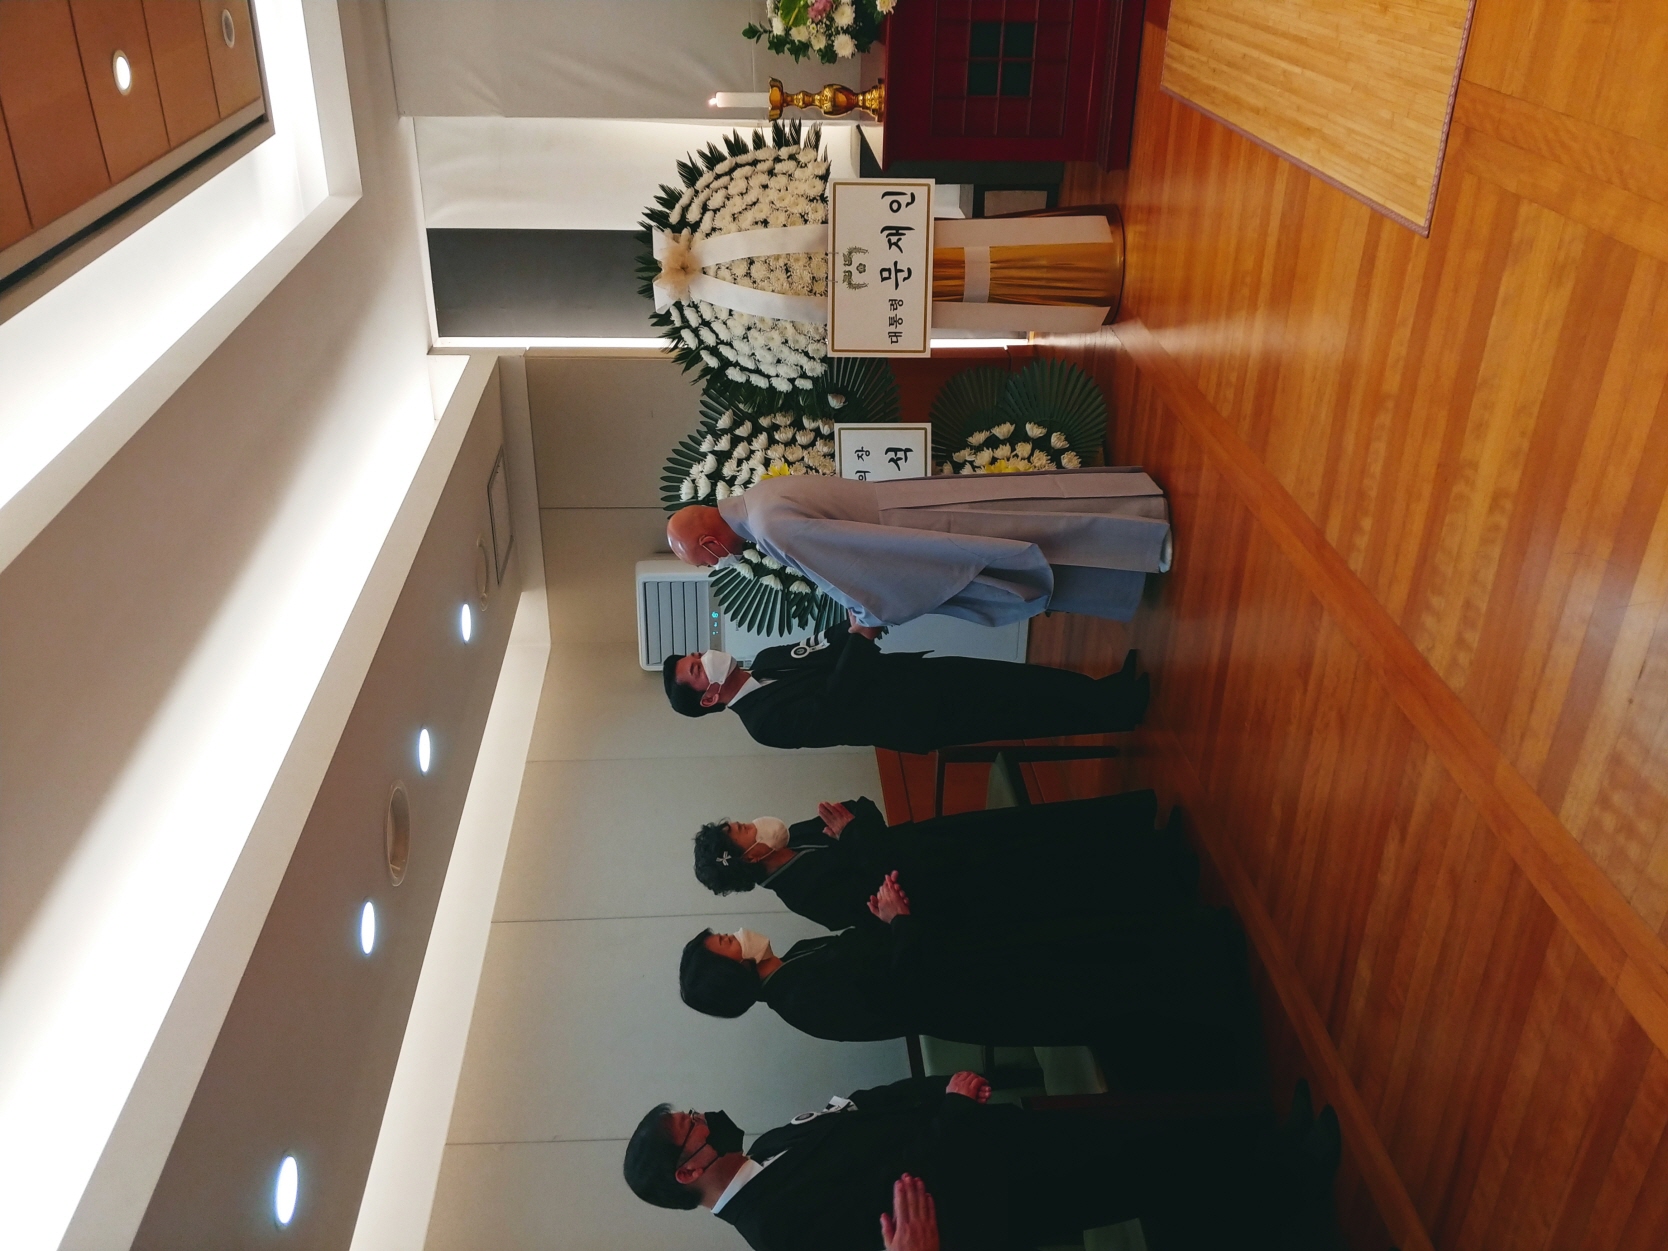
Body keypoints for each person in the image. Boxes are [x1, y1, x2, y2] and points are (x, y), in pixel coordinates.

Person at [621, 1074, 1342, 1251]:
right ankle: (1293, 1173)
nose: (706, 1117)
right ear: (687, 1170)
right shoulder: (777, 1228)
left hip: (990, 1141)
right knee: (1145, 1177)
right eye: (692, 1125)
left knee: (1141, 1144)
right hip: (1003, 1192)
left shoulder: (767, 1148)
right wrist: (954, 1116)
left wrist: (944, 1092)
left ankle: (1269, 1140)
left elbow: (860, 1108)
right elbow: (903, 1189)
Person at [679, 896, 1256, 1090]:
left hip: (972, 966)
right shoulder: (802, 1001)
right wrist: (899, 924)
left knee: (1088, 957)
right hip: (977, 994)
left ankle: (1203, 956)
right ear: (733, 974)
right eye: (726, 944)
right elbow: (901, 996)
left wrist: (885, 917)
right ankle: (1215, 991)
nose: (737, 934)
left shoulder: (794, 962)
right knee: (1096, 992)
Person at [666, 467, 1172, 627]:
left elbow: (855, 567)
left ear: (709, 542)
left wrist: (865, 616)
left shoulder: (770, 527)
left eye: (705, 560)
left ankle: (1144, 543)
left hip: (914, 533)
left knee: (1030, 537)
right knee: (1030, 510)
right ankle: (1139, 517)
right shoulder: (760, 495)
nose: (714, 564)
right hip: (912, 502)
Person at [693, 792, 1198, 933]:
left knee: (1048, 834)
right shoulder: (805, 895)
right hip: (955, 887)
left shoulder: (796, 838)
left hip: (942, 843)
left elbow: (862, 810)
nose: (754, 823)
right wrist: (855, 837)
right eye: (744, 830)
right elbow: (885, 887)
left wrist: (856, 835)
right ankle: (1162, 868)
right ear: (750, 856)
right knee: (1060, 873)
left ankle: (1145, 834)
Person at [661, 618, 1148, 754]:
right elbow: (833, 705)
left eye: (696, 655)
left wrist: (855, 618)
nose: (705, 656)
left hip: (911, 676)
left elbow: (823, 645)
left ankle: (1106, 691)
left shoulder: (767, 660)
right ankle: (1115, 713)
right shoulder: (763, 724)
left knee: (1016, 678)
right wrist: (860, 639)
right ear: (709, 698)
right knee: (1018, 712)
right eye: (698, 669)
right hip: (917, 717)